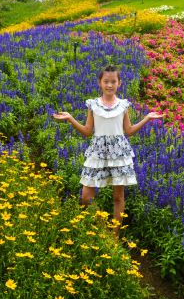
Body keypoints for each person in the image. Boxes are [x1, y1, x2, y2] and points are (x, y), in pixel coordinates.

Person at [52, 65, 164, 237]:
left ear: (119, 83)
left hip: (119, 153)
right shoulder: (93, 105)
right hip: (97, 152)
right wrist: (70, 118)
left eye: (113, 82)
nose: (109, 85)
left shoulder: (123, 105)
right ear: (100, 83)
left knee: (118, 197)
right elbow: (87, 131)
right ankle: (100, 227)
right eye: (106, 81)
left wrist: (147, 118)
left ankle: (114, 236)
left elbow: (129, 131)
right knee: (86, 197)